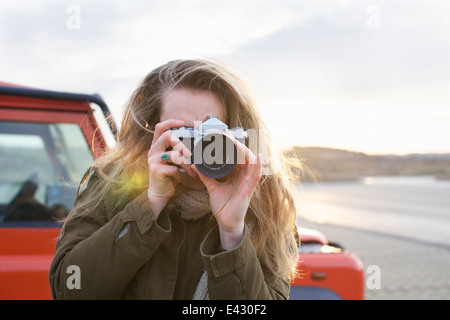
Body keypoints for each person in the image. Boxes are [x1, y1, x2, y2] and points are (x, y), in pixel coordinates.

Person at [49, 59, 300, 300]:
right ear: (151, 135)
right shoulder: (112, 186)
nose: (197, 150)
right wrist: (150, 205)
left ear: (237, 135)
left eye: (213, 135)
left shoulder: (266, 207)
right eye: (184, 133)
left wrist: (233, 233)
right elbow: (69, 291)